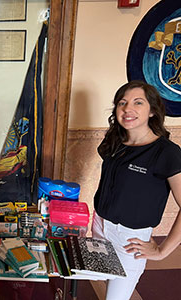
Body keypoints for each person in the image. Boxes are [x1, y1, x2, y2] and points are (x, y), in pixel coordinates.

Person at [93, 80, 181, 300]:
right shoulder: (115, 141)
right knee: (104, 281)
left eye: (138, 102)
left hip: (130, 240)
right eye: (122, 102)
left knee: (116, 297)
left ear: (152, 111)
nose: (128, 108)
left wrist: (162, 251)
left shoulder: (167, 153)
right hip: (100, 225)